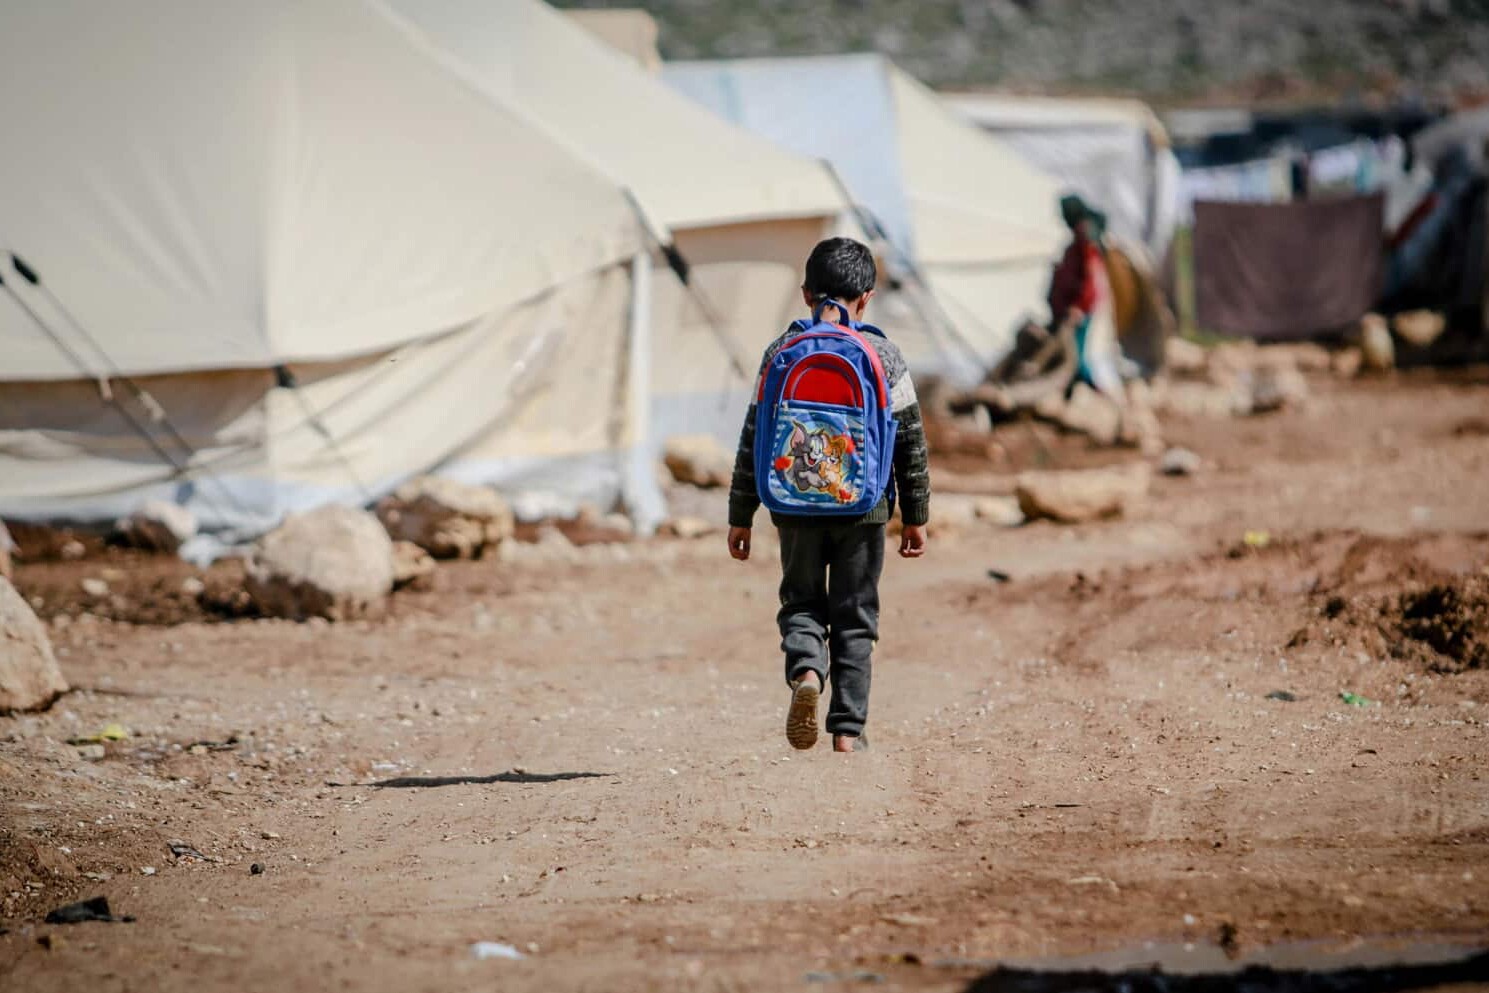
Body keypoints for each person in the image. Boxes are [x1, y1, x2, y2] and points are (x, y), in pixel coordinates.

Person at [725, 237, 931, 754]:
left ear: (805, 294)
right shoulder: (883, 354)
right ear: (868, 297)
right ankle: (847, 730)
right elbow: (910, 441)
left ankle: (807, 674)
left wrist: (741, 515)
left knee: (801, 602)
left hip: (792, 505)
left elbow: (754, 436)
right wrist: (915, 514)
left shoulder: (779, 353)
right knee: (856, 613)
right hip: (865, 507)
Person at [1047, 193, 1125, 403]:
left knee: (1077, 358)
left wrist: (1079, 306)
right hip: (1074, 306)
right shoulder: (1080, 236)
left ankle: (1102, 397)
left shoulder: (1086, 236)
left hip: (1081, 309)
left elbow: (1092, 277)